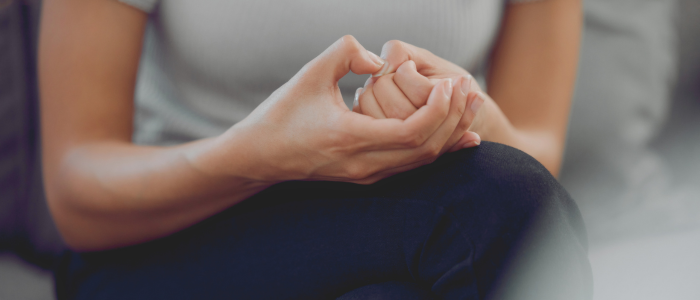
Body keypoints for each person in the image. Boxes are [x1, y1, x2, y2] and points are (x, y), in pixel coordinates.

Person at [39, 0, 590, 299]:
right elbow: (75, 191)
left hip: (399, 232)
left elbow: (537, 148)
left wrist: (477, 116)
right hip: (165, 240)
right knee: (497, 197)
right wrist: (255, 155)